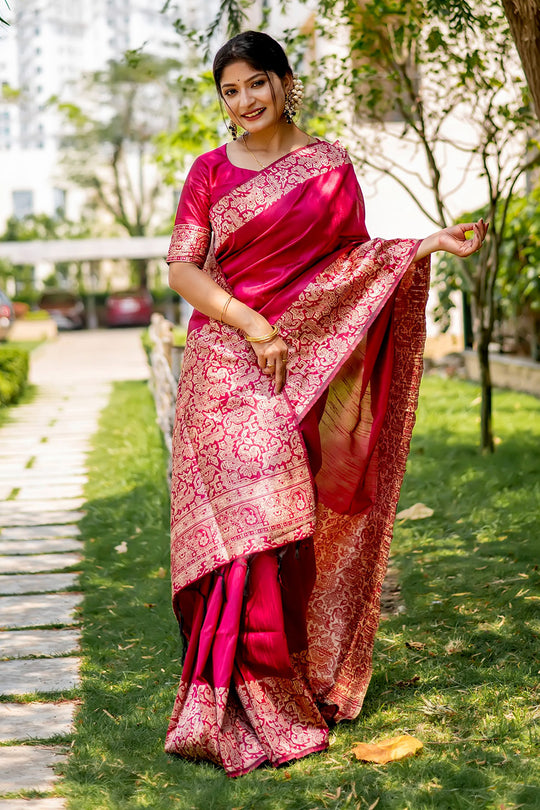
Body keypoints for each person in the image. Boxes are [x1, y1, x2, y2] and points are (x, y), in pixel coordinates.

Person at [164, 30, 487, 777]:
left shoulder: (330, 166)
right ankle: (225, 695)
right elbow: (183, 267)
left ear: (285, 81)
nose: (245, 102)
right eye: (230, 91)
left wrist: (423, 246)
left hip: (288, 367)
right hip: (223, 362)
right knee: (238, 532)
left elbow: (350, 265)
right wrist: (253, 324)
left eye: (256, 84)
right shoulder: (209, 171)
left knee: (278, 522)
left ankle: (278, 683)